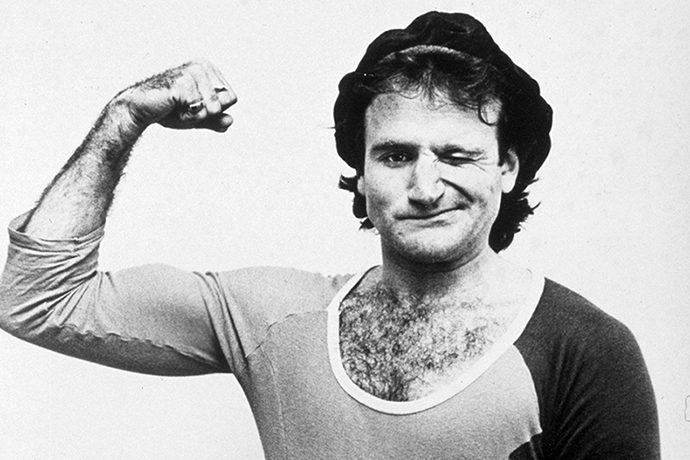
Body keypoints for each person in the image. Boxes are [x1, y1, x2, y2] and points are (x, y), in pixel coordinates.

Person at [0, 11, 659, 459]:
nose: (425, 186)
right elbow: (33, 300)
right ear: (362, 173)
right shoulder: (276, 320)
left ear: (507, 168)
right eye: (396, 156)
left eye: (456, 156)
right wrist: (125, 115)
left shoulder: (584, 350)